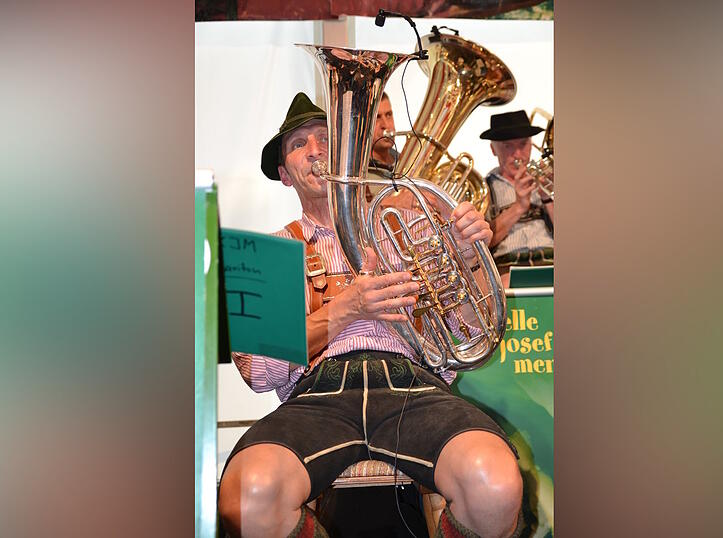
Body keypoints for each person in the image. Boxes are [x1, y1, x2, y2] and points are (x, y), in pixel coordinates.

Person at [218, 92, 524, 538]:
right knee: (247, 498)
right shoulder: (272, 250)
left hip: (413, 388)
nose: (316, 150)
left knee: (494, 485)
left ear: (348, 155)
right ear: (285, 174)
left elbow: (471, 332)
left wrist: (470, 256)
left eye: (325, 139)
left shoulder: (407, 226)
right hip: (316, 399)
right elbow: (259, 373)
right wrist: (344, 310)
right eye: (299, 144)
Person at [480, 110, 555, 287]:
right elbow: (481, 245)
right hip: (507, 269)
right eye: (508, 146)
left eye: (523, 144)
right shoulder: (483, 189)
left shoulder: (548, 180)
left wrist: (548, 198)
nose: (518, 154)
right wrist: (519, 207)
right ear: (493, 149)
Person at [369, 92, 399, 174]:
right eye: (377, 117)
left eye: (388, 115)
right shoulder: (362, 171)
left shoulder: (402, 158)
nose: (386, 125)